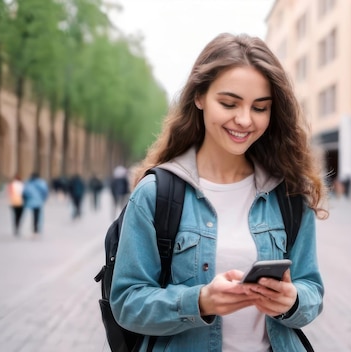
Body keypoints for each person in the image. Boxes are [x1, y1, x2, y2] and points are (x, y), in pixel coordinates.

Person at [110, 33, 326, 351]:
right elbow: (127, 302)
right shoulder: (156, 194)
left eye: (260, 108)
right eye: (229, 103)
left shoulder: (289, 194)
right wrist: (200, 301)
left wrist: (292, 300)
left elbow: (312, 289)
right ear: (199, 96)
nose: (244, 120)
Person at [22, 172, 49, 237]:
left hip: (31, 201)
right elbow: (45, 191)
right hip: (39, 201)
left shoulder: (28, 183)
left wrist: (25, 200)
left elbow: (25, 192)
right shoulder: (41, 183)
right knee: (37, 215)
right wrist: (44, 198)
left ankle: (35, 228)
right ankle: (36, 228)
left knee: (34, 215)